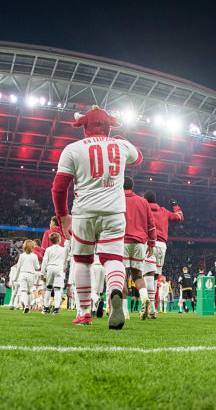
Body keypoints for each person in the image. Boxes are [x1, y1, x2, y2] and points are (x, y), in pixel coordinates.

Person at [51, 105, 142, 328]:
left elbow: (59, 187)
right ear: (109, 126)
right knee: (113, 259)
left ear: (84, 126)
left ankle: (84, 314)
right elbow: (138, 158)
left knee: (82, 260)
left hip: (83, 213)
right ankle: (114, 293)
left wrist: (63, 216)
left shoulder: (72, 149)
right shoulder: (120, 145)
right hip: (114, 212)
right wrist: (123, 140)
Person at [121, 176, 157, 320]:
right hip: (140, 242)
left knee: (121, 276)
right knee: (137, 275)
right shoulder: (143, 202)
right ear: (132, 186)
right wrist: (151, 243)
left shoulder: (117, 199)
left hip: (122, 241)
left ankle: (124, 312)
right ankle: (144, 297)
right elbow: (152, 224)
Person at [145, 190, 184, 318]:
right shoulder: (164, 211)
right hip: (162, 246)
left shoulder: (144, 210)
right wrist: (175, 205)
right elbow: (179, 217)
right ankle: (153, 310)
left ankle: (149, 307)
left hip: (149, 244)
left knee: (147, 276)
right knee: (156, 279)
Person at [41, 232, 68, 315]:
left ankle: (45, 308)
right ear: (59, 240)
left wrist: (42, 273)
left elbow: (45, 261)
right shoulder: (63, 249)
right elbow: (65, 260)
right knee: (57, 289)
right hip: (59, 268)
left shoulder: (48, 249)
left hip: (50, 268)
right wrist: (64, 268)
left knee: (48, 289)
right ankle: (56, 309)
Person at [12, 240, 41, 314]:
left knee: (23, 291)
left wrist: (15, 277)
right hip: (31, 275)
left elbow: (18, 267)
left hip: (23, 274)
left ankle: (26, 306)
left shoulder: (22, 255)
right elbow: (37, 267)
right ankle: (28, 306)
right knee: (29, 292)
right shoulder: (34, 256)